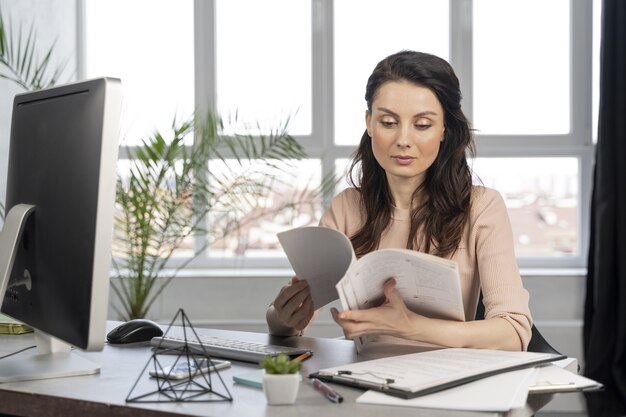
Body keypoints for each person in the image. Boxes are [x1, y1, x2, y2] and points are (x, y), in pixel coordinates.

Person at [266, 50, 532, 351]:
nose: (403, 140)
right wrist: (283, 318)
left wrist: (411, 327)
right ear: (369, 123)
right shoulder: (346, 208)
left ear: (445, 128)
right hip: (364, 378)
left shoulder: (482, 208)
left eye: (422, 125)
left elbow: (513, 332)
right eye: (389, 122)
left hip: (448, 382)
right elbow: (290, 320)